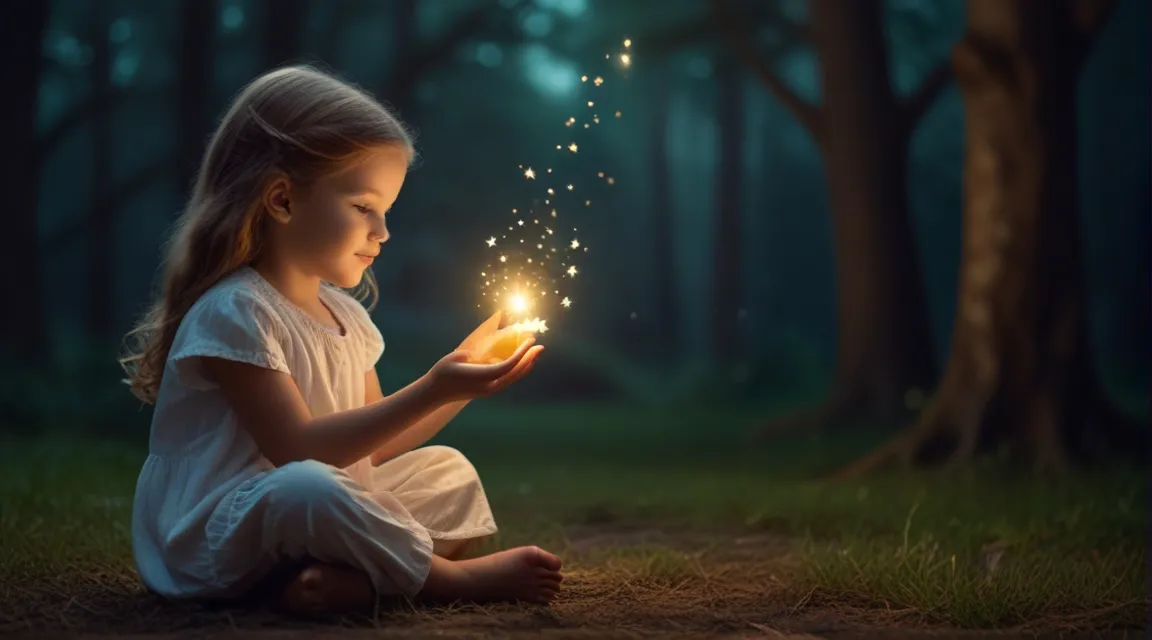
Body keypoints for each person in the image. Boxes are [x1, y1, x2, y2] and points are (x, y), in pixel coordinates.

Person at [119, 65, 561, 615]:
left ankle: (330, 583)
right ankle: (446, 579)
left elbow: (373, 446)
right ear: (281, 200)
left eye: (387, 212)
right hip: (222, 529)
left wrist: (460, 382)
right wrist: (432, 386)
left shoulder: (347, 316)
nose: (383, 231)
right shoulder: (234, 311)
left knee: (448, 473)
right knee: (310, 489)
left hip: (314, 510)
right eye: (363, 208)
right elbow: (297, 451)